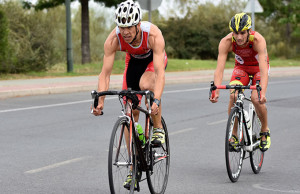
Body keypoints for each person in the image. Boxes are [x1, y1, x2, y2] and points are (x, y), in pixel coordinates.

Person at [91, 0, 168, 189]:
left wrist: (156, 99)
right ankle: (133, 168)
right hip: (133, 62)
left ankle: (157, 128)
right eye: (121, 27)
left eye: (129, 27)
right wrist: (100, 101)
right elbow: (105, 74)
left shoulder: (153, 35)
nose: (125, 32)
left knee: (145, 84)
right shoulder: (113, 40)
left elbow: (159, 74)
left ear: (138, 25)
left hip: (153, 63)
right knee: (128, 109)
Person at [209, 13, 271, 152]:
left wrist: (263, 92)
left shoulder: (258, 40)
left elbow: (263, 69)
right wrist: (216, 90)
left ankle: (264, 130)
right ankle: (234, 135)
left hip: (258, 69)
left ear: (249, 30)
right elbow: (219, 70)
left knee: (256, 98)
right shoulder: (226, 42)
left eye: (242, 33)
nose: (239, 37)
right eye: (235, 33)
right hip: (241, 68)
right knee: (234, 95)